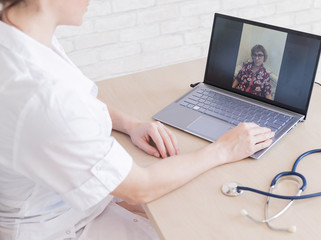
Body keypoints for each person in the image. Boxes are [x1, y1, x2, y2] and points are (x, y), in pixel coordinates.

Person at [0, 1, 274, 239]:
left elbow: (77, 101)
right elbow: (139, 188)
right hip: (58, 225)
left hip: (66, 194)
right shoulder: (39, 95)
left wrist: (131, 125)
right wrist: (224, 148)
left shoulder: (19, 34)